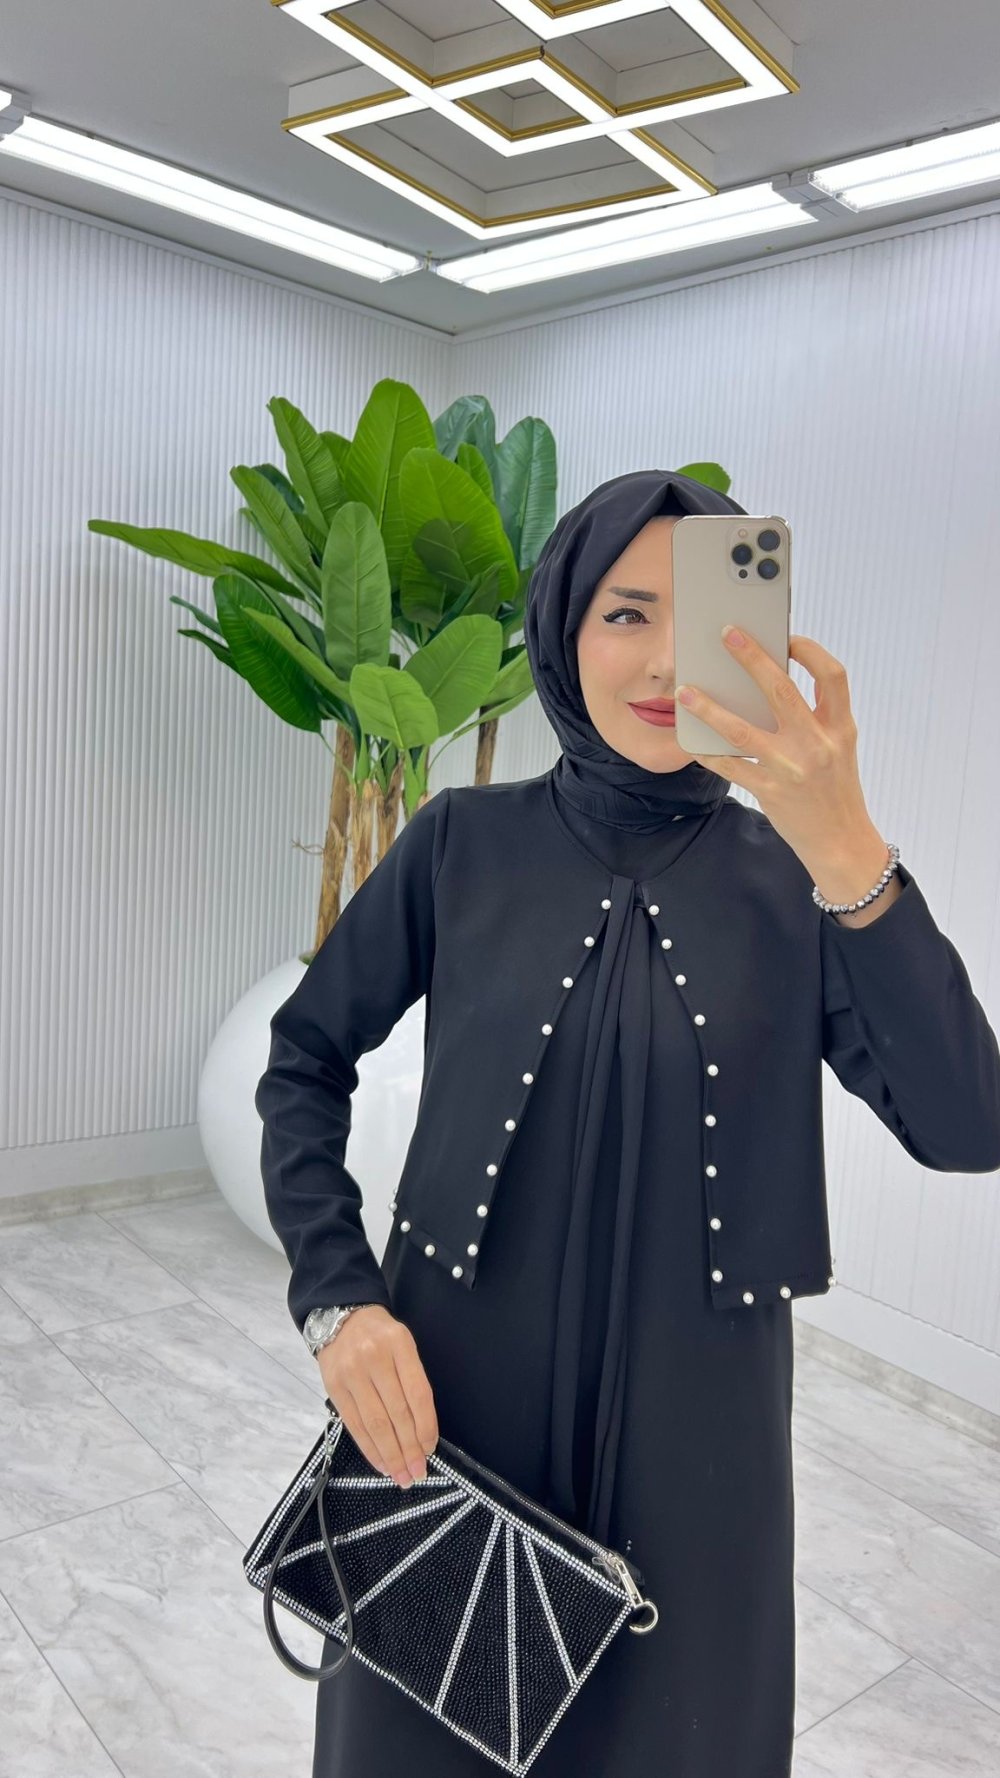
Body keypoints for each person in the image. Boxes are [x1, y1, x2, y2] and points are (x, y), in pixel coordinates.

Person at [255, 469, 1000, 1777]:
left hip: (698, 1458)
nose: (662, 662)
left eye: (697, 616)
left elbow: (966, 1123)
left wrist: (849, 852)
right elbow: (303, 1058)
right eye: (624, 613)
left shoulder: (797, 884)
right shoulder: (461, 843)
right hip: (448, 1421)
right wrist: (338, 1299)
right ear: (563, 625)